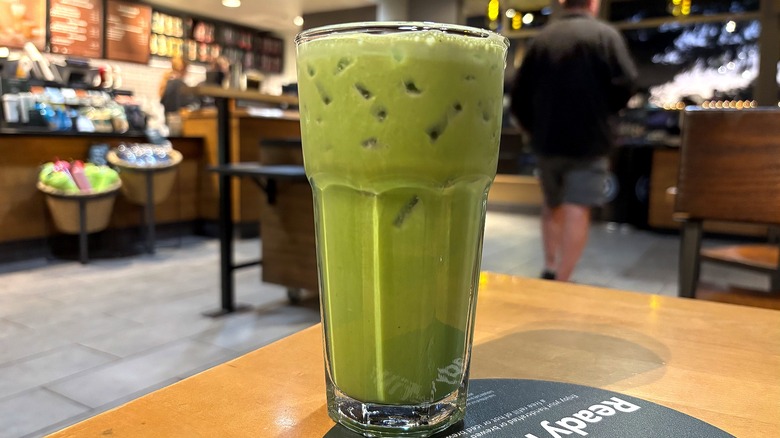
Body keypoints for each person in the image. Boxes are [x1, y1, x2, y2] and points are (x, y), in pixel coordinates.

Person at [510, 0, 637, 282]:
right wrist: (605, 112)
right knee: (577, 208)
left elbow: (519, 94)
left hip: (547, 139)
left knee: (551, 204)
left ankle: (550, 265)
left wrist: (534, 127)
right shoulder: (606, 36)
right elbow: (627, 83)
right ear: (593, 4)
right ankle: (564, 278)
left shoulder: (542, 39)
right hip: (590, 140)